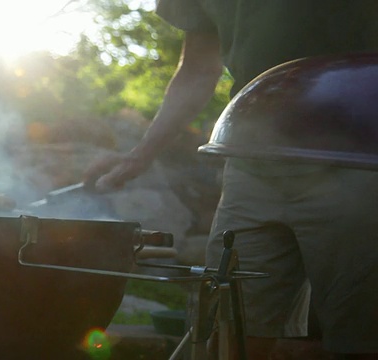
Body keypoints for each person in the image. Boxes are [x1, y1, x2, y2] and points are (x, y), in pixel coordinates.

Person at [84, 1, 378, 359]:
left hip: (357, 154)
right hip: (251, 157)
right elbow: (197, 69)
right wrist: (140, 154)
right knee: (225, 335)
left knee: (359, 340)